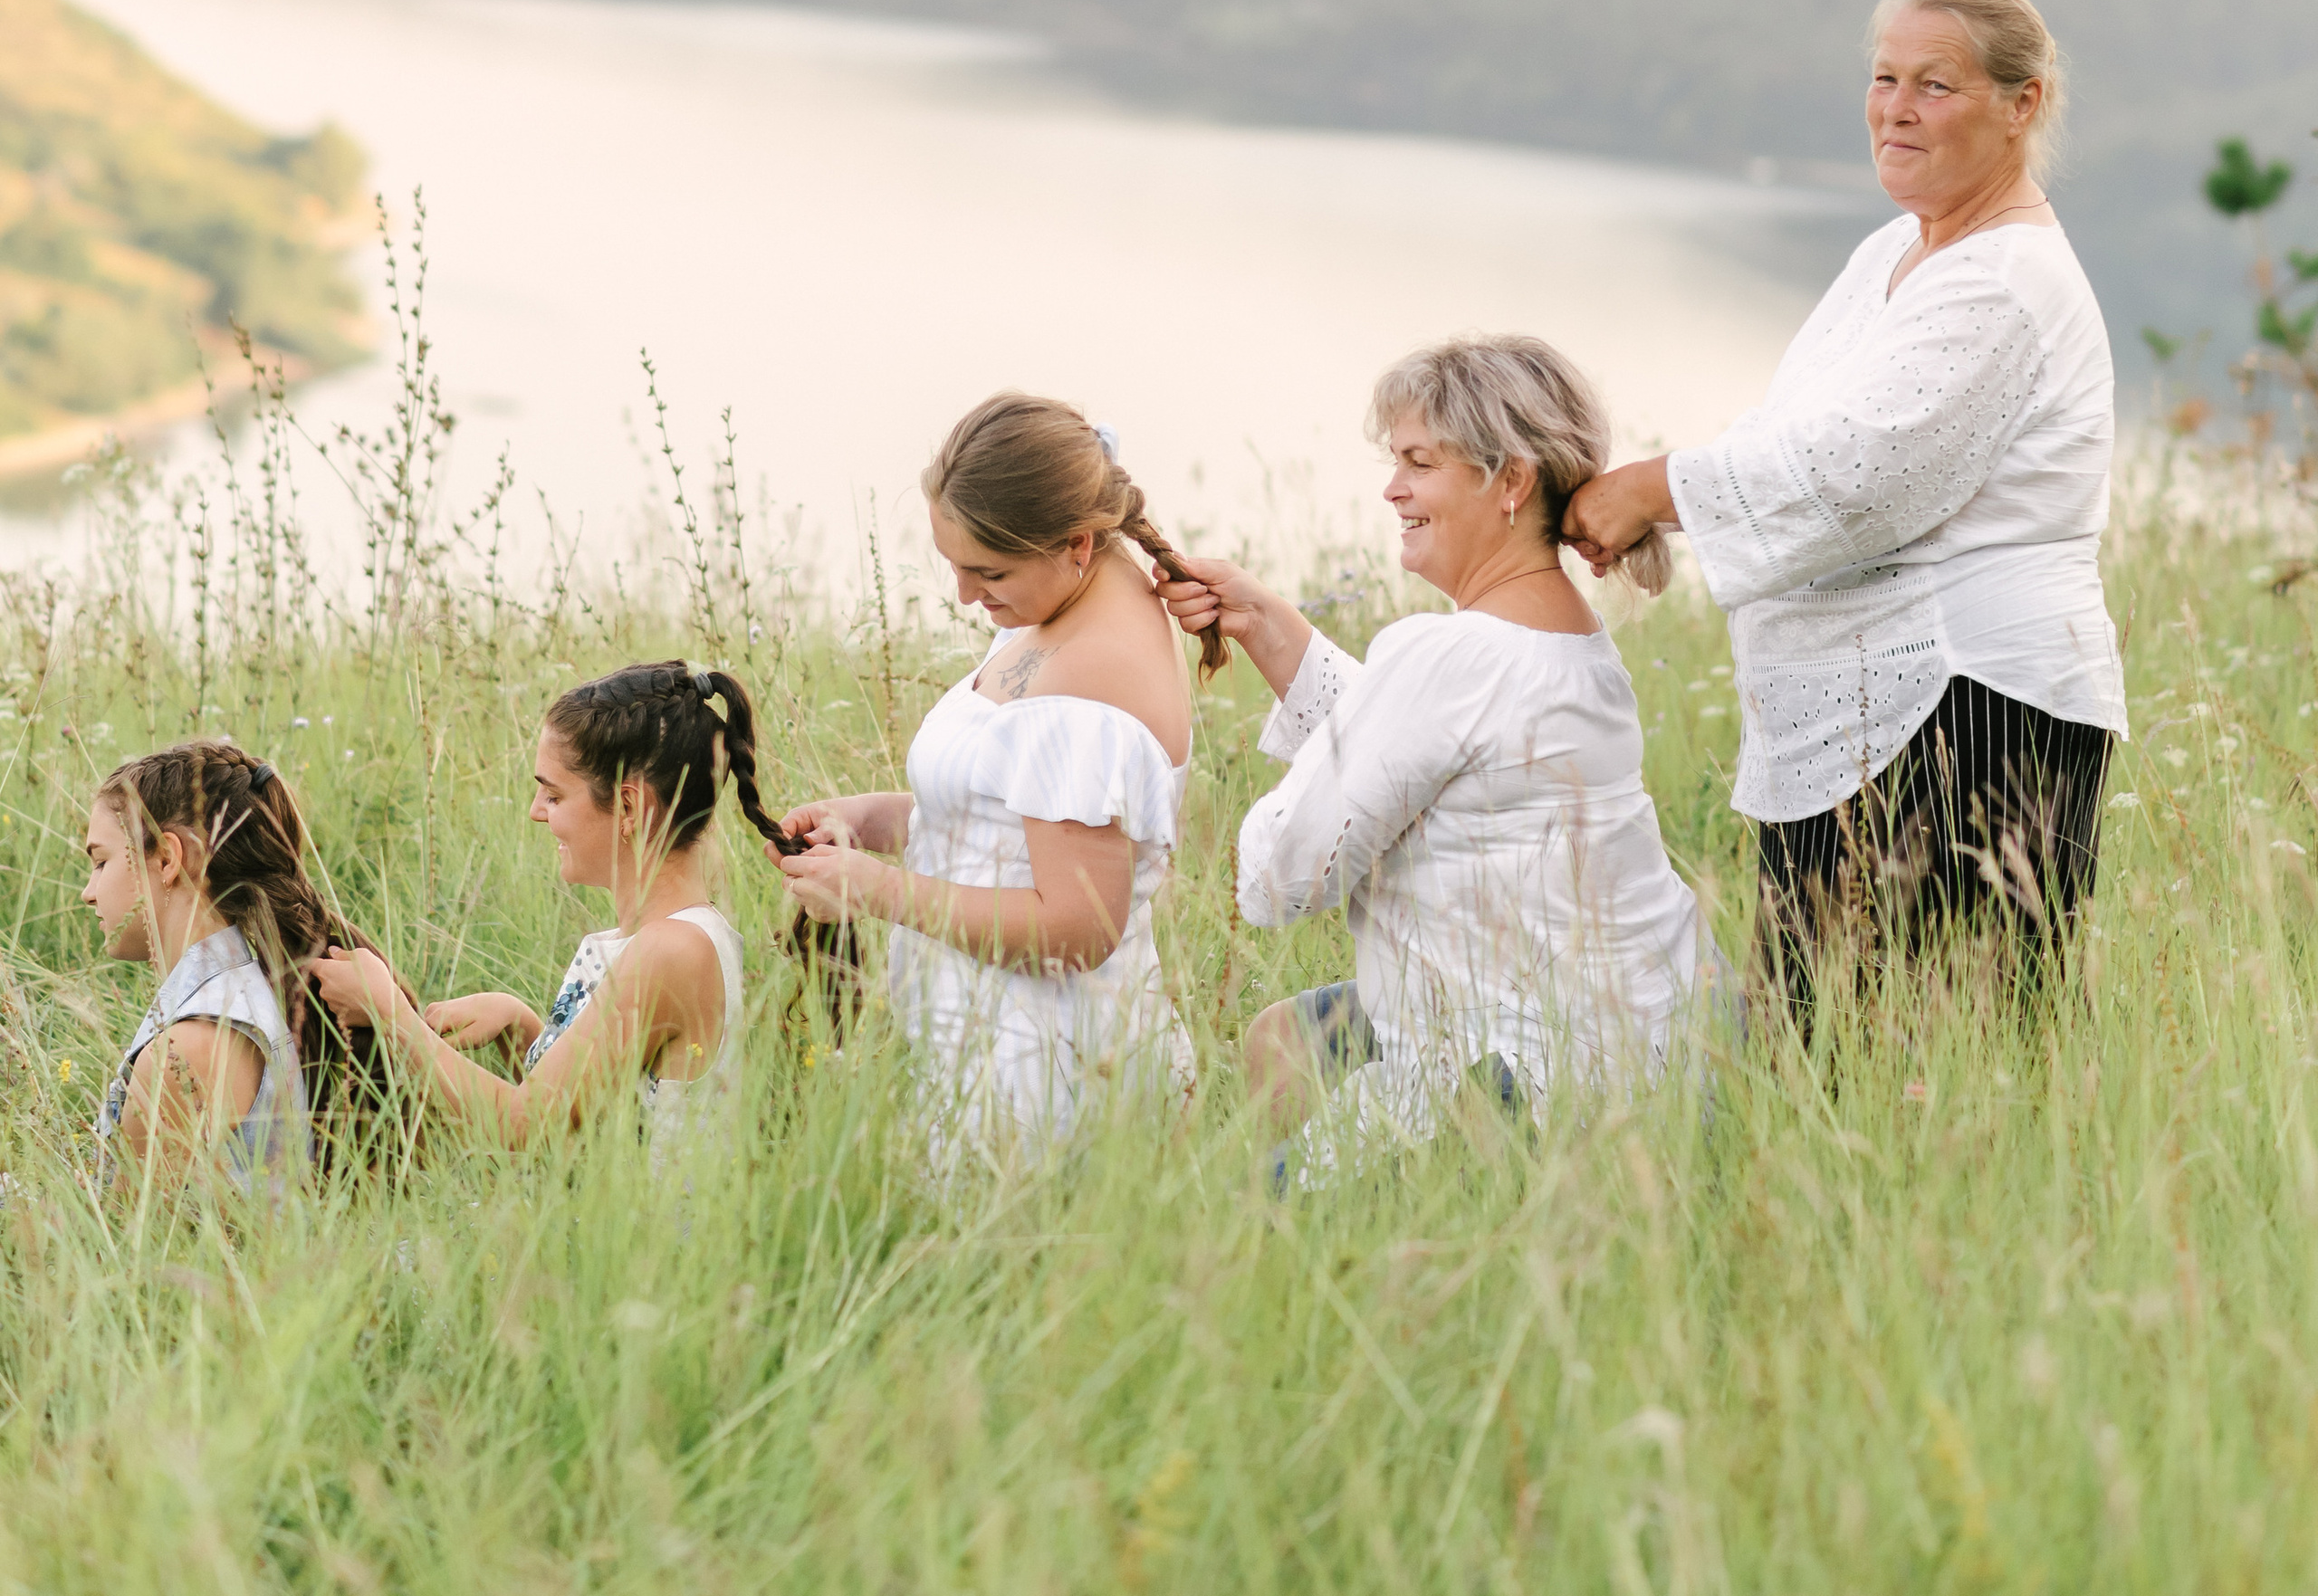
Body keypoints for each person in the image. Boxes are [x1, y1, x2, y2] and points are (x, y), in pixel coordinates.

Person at [1564, 0, 2128, 1018]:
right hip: (1877, 721)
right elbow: (1791, 435)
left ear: (2023, 103)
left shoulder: (2001, 280)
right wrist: (1645, 502)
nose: (1895, 109)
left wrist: (1653, 488)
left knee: (1946, 1053)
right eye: (1883, 78)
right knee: (1819, 1050)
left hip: (1971, 712)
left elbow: (1861, 480)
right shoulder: (1894, 254)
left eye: (1935, 86)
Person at [1158, 336, 1718, 1164]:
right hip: (1648, 1046)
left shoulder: (1447, 657)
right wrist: (1269, 627)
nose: (1392, 489)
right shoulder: (1570, 644)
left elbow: (1281, 882)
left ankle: (1296, 1232)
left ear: (1511, 482)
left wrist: (1281, 798)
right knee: (1287, 1035)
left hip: (1528, 1079)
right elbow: (1426, 745)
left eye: (1419, 463)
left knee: (1233, 1233)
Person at [778, 397, 1199, 1158]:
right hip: (989, 1043)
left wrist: (874, 891)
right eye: (955, 566)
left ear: (1075, 542)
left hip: (1043, 1072)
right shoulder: (1058, 606)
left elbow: (1077, 927)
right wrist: (871, 821)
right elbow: (1008, 824)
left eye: (987, 571)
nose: (967, 596)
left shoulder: (1087, 681)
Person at [312, 660, 780, 1160]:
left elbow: (526, 1126)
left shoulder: (671, 950)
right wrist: (520, 1027)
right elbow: (592, 1120)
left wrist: (388, 1012)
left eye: (553, 794)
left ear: (628, 808)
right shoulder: (667, 939)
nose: (536, 810)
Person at [83, 737, 388, 1193]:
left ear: (167, 858)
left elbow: (126, 1243)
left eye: (101, 862)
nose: (88, 892)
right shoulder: (259, 987)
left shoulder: (190, 1048)